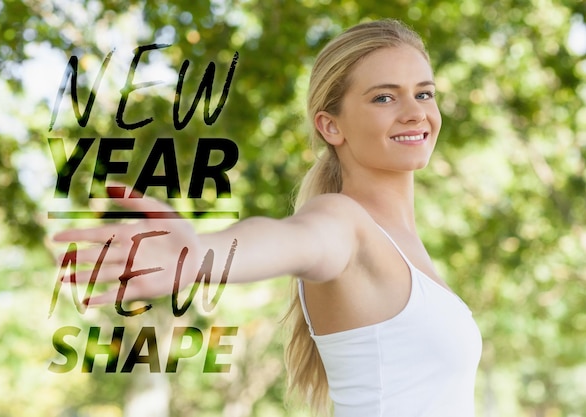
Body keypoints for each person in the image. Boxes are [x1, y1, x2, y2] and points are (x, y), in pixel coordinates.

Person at [54, 19, 482, 417]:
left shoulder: (403, 242)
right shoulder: (341, 221)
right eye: (384, 97)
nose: (414, 111)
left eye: (423, 93)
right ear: (331, 126)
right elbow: (290, 238)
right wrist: (203, 254)